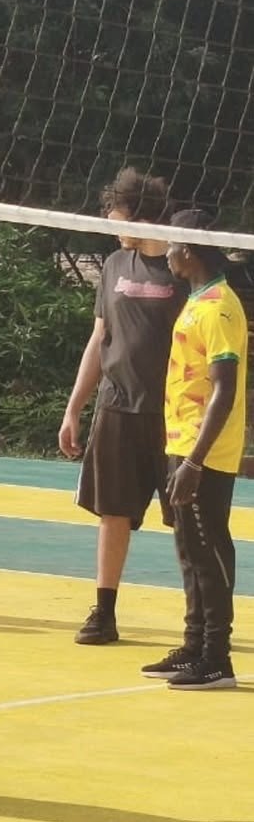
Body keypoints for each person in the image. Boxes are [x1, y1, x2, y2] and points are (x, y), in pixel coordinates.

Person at [58, 168, 186, 644]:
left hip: (174, 415)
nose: (113, 229)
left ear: (141, 217)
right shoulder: (115, 265)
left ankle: (202, 622)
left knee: (186, 518)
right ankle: (104, 613)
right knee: (113, 512)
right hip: (117, 407)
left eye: (117, 219)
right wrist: (74, 408)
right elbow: (99, 339)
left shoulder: (184, 268)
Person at [140, 209, 245, 689]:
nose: (167, 253)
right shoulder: (197, 299)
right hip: (181, 442)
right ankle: (194, 644)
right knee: (188, 548)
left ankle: (217, 658)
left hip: (205, 451)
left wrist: (196, 461)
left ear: (188, 249)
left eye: (171, 244)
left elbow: (225, 388)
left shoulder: (220, 306)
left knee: (209, 548)